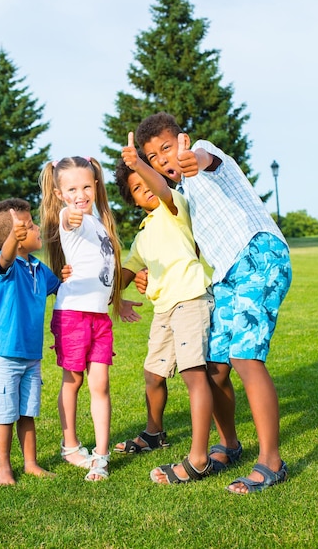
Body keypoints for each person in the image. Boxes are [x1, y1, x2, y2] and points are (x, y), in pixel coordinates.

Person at [135, 112, 292, 493]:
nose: (164, 159)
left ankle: (271, 461)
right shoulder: (181, 197)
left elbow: (205, 160)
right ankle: (229, 445)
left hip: (259, 252)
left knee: (245, 358)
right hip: (225, 273)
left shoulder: (203, 152)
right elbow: (163, 193)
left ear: (183, 140)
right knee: (216, 365)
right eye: (154, 157)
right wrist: (138, 164)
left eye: (167, 148)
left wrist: (193, 160)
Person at [114, 134, 217, 485]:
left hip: (190, 300)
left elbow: (161, 188)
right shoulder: (142, 235)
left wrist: (139, 164)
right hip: (164, 310)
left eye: (146, 179)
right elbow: (124, 274)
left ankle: (198, 457)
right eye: (136, 186)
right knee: (153, 375)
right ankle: (155, 432)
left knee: (193, 375)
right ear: (131, 198)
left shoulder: (175, 207)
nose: (144, 185)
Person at [39, 156, 140, 481]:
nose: (80, 193)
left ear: (96, 185)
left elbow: (104, 271)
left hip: (99, 318)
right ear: (59, 193)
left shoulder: (99, 223)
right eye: (71, 188)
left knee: (101, 384)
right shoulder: (70, 218)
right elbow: (69, 219)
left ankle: (101, 455)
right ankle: (70, 447)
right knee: (74, 381)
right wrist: (71, 211)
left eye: (85, 186)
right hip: (72, 316)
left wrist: (118, 301)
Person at [0, 198, 60, 486]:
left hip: (31, 355)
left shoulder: (39, 268)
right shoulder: (6, 266)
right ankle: (4, 467)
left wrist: (66, 277)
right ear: (16, 237)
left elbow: (60, 289)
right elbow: (6, 256)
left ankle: (30, 464)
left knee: (28, 412)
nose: (37, 227)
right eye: (30, 225)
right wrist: (15, 235)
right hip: (5, 355)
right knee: (5, 415)